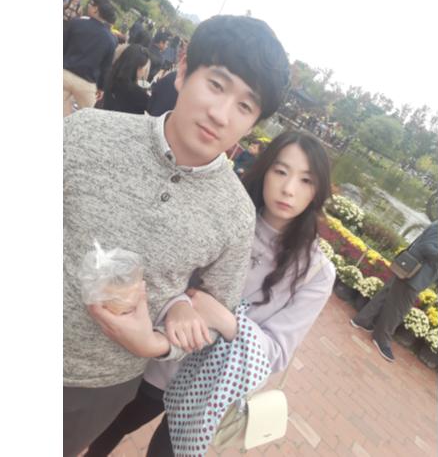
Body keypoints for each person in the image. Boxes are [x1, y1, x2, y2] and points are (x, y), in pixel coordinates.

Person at [63, 14, 290, 457]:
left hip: (98, 388)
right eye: (216, 84)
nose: (220, 114)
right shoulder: (88, 131)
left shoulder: (235, 216)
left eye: (245, 107)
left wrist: (158, 342)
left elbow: (211, 321)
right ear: (184, 69)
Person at [84, 130, 336, 456]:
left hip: (209, 389)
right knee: (107, 431)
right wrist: (179, 305)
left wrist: (224, 319)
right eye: (281, 171)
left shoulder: (316, 272)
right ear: (265, 171)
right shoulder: (227, 217)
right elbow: (169, 272)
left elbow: (275, 352)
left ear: (318, 191)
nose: (289, 188)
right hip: (160, 356)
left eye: (306, 180)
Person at [350, 221, 438, 362]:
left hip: (412, 269)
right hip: (414, 274)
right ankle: (381, 338)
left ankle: (362, 320)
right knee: (400, 309)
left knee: (387, 294)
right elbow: (426, 246)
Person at [63, 0, 117, 116]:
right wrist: (101, 88)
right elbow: (106, 68)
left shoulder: (76, 23)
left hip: (65, 75)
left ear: (96, 9)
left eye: (90, 4)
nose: (88, 5)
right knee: (86, 118)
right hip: (87, 84)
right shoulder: (110, 39)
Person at [102, 44, 151, 114]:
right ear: (138, 68)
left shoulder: (111, 76)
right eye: (144, 68)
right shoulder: (136, 92)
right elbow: (153, 107)